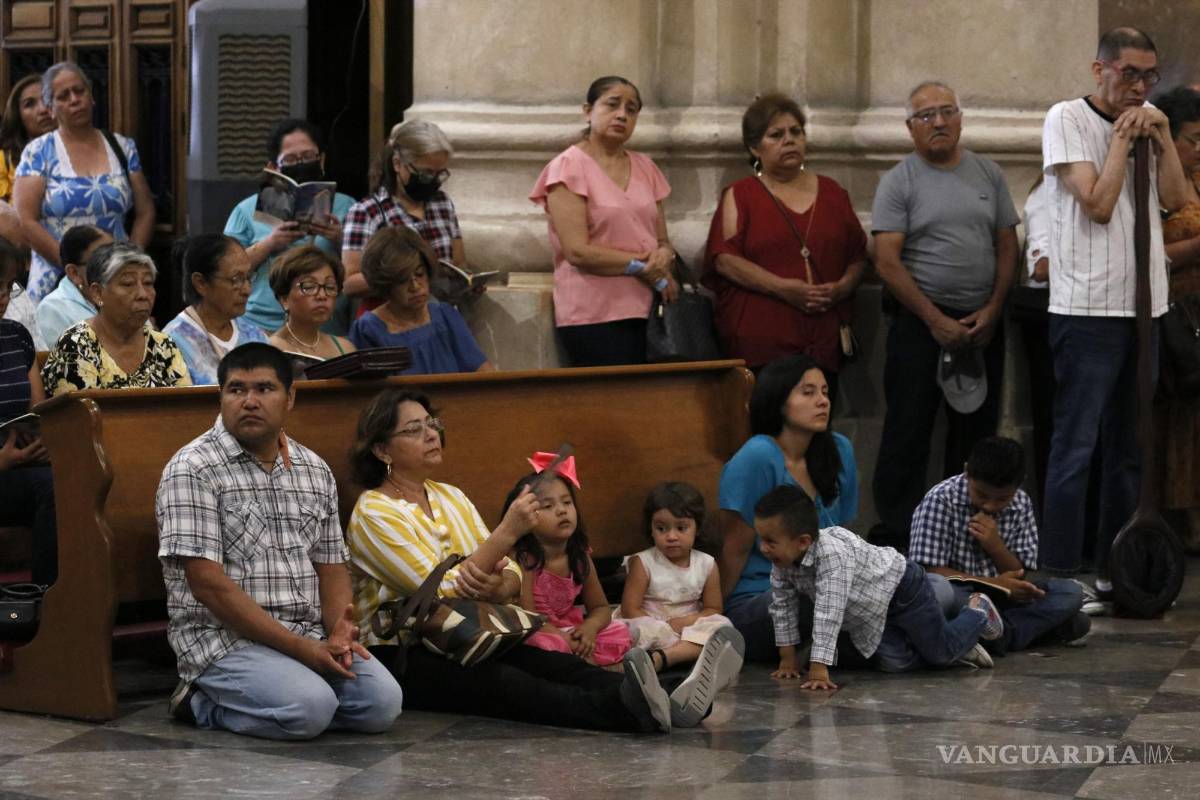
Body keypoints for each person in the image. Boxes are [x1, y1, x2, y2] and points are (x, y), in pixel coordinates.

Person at [346, 387, 716, 733]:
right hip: (404, 650)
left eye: (432, 424)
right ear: (382, 450)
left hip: (473, 628)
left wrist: (502, 583)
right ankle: (630, 710)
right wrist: (508, 532)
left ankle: (668, 702)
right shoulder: (374, 512)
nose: (431, 434)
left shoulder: (449, 495)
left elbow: (506, 567)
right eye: (414, 429)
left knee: (549, 663)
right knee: (504, 682)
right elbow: (438, 589)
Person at [156, 343, 403, 739]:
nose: (249, 401)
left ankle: (282, 696)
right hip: (223, 640)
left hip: (305, 634)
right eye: (236, 390)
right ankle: (198, 702)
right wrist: (299, 650)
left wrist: (338, 630)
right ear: (220, 397)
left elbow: (331, 567)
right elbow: (208, 586)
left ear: (290, 397)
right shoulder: (192, 468)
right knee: (309, 709)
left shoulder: (313, 469)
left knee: (381, 705)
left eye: (264, 389)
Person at [1040, 29, 1190, 594]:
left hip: (1145, 307)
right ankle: (1059, 572)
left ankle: (1116, 568)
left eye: (1150, 76)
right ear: (1098, 68)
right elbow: (1099, 205)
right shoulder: (1066, 119)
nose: (1139, 87)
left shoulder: (1150, 120)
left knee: (1132, 447)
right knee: (1077, 446)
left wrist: (1165, 136)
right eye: (1129, 74)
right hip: (1087, 309)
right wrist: (1124, 142)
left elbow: (1177, 201)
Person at [869, 79, 1020, 552]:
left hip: (982, 326)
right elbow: (887, 261)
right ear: (911, 128)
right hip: (919, 325)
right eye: (926, 115)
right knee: (907, 432)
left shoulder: (988, 174)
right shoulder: (900, 181)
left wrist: (994, 309)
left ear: (960, 118)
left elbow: (1007, 245)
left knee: (975, 436)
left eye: (947, 112)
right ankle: (896, 539)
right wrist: (934, 319)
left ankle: (966, 536)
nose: (939, 122)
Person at [756, 485, 999, 688]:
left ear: (802, 542)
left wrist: (819, 670)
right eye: (761, 539)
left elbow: (828, 613)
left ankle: (976, 613)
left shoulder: (831, 555)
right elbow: (782, 608)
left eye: (770, 541)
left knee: (939, 653)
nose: (763, 548)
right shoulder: (782, 563)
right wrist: (787, 661)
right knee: (897, 665)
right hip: (870, 612)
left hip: (904, 588)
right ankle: (954, 643)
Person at [704, 93, 867, 385]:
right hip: (763, 338)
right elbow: (725, 259)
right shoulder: (741, 194)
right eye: (776, 135)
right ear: (755, 148)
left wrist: (842, 287)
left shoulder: (832, 193)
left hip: (823, 337)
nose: (789, 140)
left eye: (796, 132)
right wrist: (783, 289)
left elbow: (857, 255)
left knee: (817, 423)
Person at [529, 75, 679, 366]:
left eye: (632, 109)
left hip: (650, 310)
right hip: (594, 313)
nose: (622, 114)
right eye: (612, 104)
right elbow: (577, 252)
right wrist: (642, 267)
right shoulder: (568, 167)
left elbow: (662, 240)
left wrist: (664, 255)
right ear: (588, 110)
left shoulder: (646, 167)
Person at [717, 354, 857, 663]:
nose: (822, 401)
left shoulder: (840, 450)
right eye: (808, 392)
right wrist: (711, 621)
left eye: (825, 392)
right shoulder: (758, 456)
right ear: (779, 401)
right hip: (762, 598)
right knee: (816, 599)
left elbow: (844, 541)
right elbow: (735, 550)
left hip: (825, 587)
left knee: (931, 588)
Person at [909, 436, 1090, 653]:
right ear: (967, 472)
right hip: (964, 594)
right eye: (982, 495)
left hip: (1004, 599)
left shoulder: (1021, 503)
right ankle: (1007, 633)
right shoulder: (940, 500)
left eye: (1002, 499)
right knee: (943, 594)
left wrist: (996, 546)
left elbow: (1018, 573)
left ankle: (992, 635)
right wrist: (995, 583)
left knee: (1070, 592)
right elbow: (930, 572)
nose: (989, 505)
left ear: (1019, 483)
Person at [12, 62, 154, 303]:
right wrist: (76, 270)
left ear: (92, 97)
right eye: (63, 96)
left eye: (80, 91)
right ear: (51, 108)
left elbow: (145, 211)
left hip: (116, 280)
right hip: (56, 281)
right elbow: (26, 220)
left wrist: (130, 263)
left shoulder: (122, 147)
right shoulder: (38, 152)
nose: (74, 100)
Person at [223, 119, 354, 333]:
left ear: (321, 160)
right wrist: (269, 244)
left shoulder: (346, 206)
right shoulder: (245, 211)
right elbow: (226, 270)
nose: (301, 164)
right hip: (262, 326)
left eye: (308, 157)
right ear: (274, 167)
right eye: (291, 159)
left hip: (325, 326)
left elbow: (364, 267)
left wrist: (338, 239)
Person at [504, 467, 632, 667]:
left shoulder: (580, 557)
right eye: (547, 506)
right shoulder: (524, 560)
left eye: (567, 502)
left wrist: (589, 627)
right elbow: (529, 620)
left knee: (619, 632)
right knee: (539, 645)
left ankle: (579, 659)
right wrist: (564, 639)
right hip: (541, 632)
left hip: (572, 628)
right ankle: (580, 661)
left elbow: (600, 608)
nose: (562, 510)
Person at [617, 482, 742, 680]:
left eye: (681, 528)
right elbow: (630, 609)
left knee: (722, 626)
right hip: (652, 624)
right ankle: (680, 655)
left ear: (697, 528)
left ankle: (662, 659)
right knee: (635, 631)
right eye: (661, 528)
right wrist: (663, 627)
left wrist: (683, 622)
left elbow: (713, 609)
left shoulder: (707, 564)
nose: (671, 536)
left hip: (688, 625)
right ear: (651, 529)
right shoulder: (643, 562)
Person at [341, 119, 466, 303]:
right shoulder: (367, 212)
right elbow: (350, 283)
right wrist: (401, 274)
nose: (433, 180)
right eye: (425, 174)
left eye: (439, 174)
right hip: (391, 317)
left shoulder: (442, 204)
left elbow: (458, 263)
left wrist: (466, 282)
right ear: (398, 164)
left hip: (438, 312)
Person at [42, 241, 190, 394]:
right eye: (128, 284)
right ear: (97, 293)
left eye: (148, 283)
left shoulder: (164, 345)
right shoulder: (76, 345)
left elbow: (186, 409)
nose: (143, 294)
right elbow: (80, 415)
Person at [1152, 86, 1200, 552]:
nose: (1198, 150)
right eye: (1193, 139)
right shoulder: (1155, 182)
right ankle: (1178, 524)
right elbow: (1146, 255)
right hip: (1174, 319)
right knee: (1176, 424)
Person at [348, 226, 491, 374]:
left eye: (420, 274)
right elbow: (368, 393)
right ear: (386, 283)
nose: (415, 286)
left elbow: (484, 373)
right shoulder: (368, 330)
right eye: (403, 280)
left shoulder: (446, 316)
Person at [0, 237, 56, 586]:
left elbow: (38, 412)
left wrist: (39, 444)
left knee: (67, 481)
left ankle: (51, 603)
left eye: (6, 287)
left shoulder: (16, 336)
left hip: (16, 463)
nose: (2, 296)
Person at [162, 235, 269, 385]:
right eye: (236, 280)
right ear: (201, 283)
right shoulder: (171, 343)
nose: (247, 290)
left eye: (248, 277)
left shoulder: (255, 336)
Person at [267, 245, 355, 360]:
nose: (322, 295)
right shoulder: (271, 350)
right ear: (284, 299)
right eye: (309, 287)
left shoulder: (346, 348)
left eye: (329, 287)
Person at [34, 225, 110, 347]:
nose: (114, 266)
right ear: (74, 273)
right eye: (103, 260)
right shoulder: (52, 309)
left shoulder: (126, 295)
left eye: (117, 257)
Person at [0, 73, 53, 203]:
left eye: (47, 100)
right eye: (29, 104)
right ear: (18, 116)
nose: (42, 110)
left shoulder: (85, 151)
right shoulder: (4, 161)